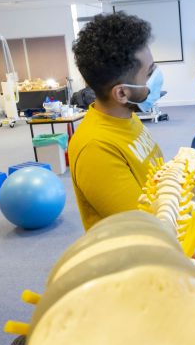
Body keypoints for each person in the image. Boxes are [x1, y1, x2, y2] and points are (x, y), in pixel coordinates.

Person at [68, 13, 166, 231]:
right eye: (150, 73)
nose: (157, 76)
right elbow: (144, 229)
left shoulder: (126, 116)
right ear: (121, 93)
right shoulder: (95, 148)